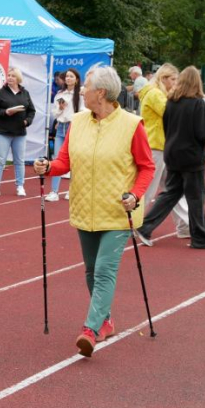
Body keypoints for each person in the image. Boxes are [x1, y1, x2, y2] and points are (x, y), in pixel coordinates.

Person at [33, 66, 155, 358]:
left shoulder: (131, 125)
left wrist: (135, 195)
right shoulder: (78, 121)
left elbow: (147, 167)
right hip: (85, 209)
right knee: (91, 270)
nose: (82, 91)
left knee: (104, 270)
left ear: (100, 93)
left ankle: (90, 329)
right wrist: (48, 167)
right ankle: (106, 320)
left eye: (86, 87)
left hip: (117, 212)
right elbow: (64, 162)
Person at [136, 66, 205, 250]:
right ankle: (201, 238)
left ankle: (145, 227)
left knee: (170, 193)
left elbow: (167, 127)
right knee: (196, 197)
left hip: (172, 153)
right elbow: (203, 134)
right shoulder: (197, 103)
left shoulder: (171, 102)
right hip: (191, 157)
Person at [138, 63, 190, 239]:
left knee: (174, 188)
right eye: (173, 79)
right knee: (148, 189)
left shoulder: (160, 94)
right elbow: (171, 113)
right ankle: (132, 223)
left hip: (164, 146)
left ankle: (186, 225)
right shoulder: (155, 94)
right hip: (155, 146)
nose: (176, 83)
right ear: (163, 79)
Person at [0, 67, 35, 197]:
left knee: (19, 161)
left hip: (20, 132)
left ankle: (20, 186)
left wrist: (27, 121)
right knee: (0, 159)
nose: (10, 77)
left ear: (18, 79)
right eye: (8, 75)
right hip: (3, 132)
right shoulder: (0, 93)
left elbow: (31, 111)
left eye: (13, 76)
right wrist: (6, 112)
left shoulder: (25, 93)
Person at [47, 68, 83, 202]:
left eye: (71, 76)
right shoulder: (60, 94)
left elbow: (84, 111)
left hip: (74, 126)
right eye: (67, 76)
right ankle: (54, 191)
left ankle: (71, 190)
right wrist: (60, 108)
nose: (68, 78)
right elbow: (54, 113)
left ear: (76, 79)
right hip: (61, 127)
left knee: (74, 159)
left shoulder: (80, 94)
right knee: (57, 159)